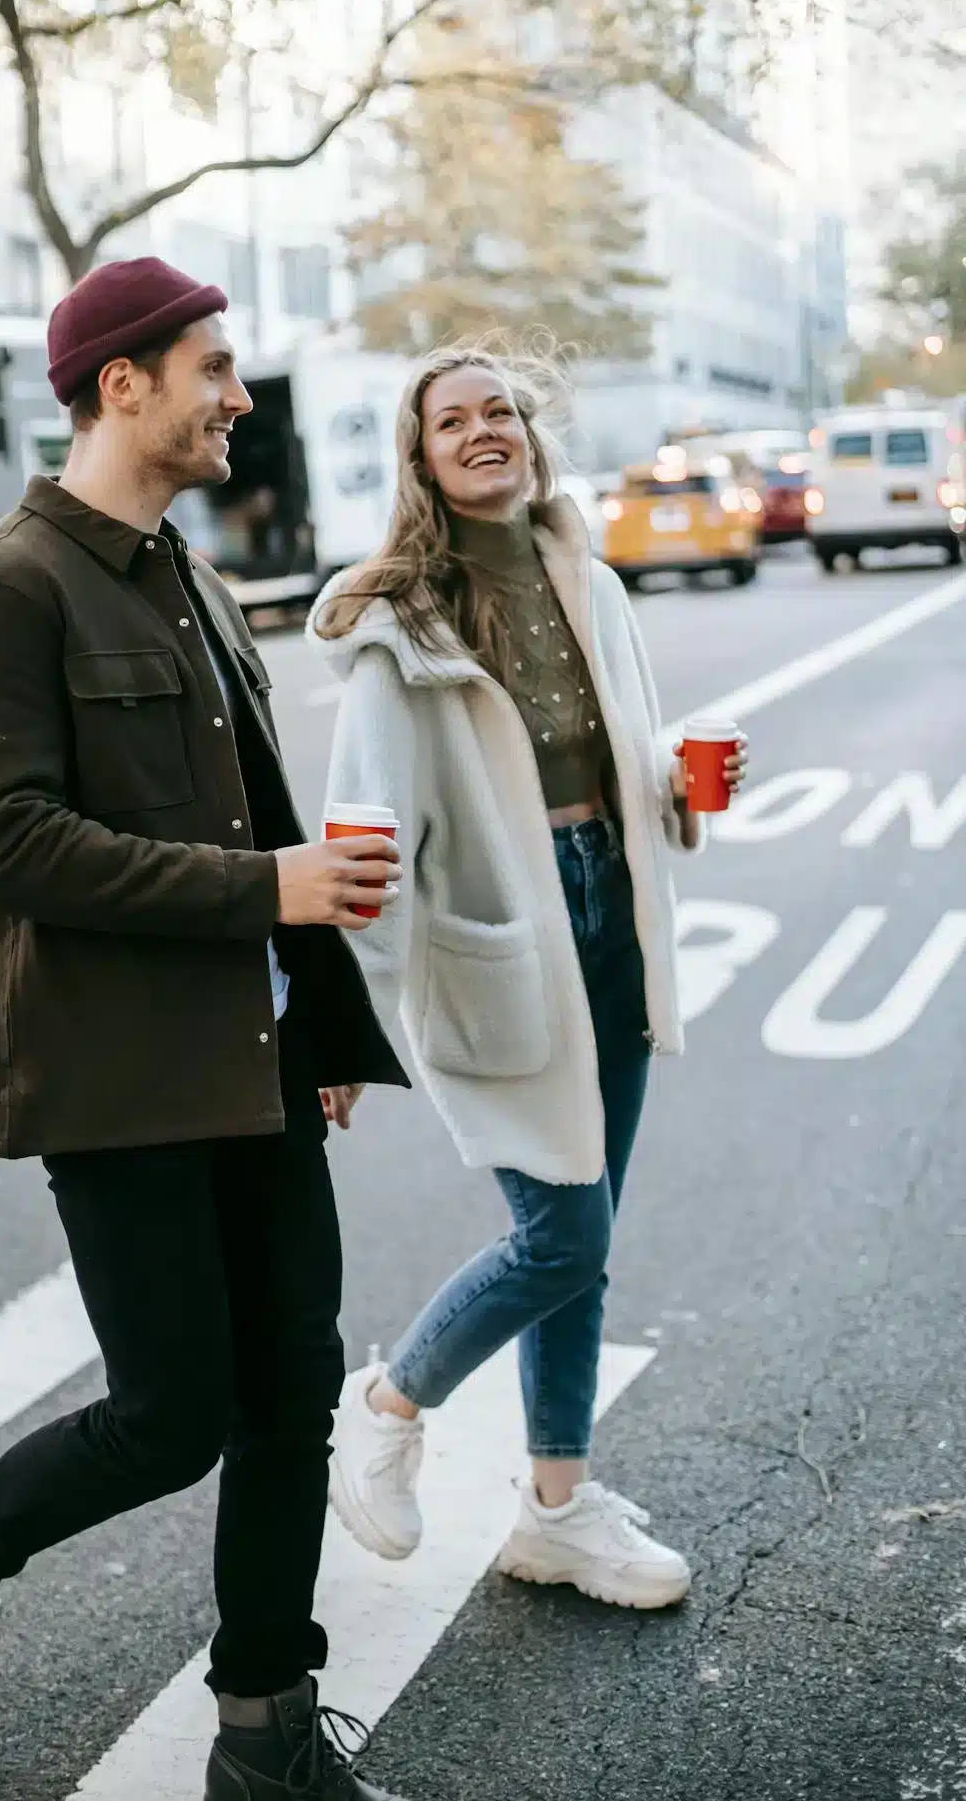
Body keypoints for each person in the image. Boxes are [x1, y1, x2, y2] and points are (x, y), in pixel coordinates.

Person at [0, 257, 412, 1801]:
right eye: (216, 368)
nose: (239, 397)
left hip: (254, 1057)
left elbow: (260, 815)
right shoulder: (2, 590)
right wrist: (270, 892)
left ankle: (263, 1733)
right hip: (117, 1075)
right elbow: (4, 846)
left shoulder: (188, 573)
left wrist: (319, 1028)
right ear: (125, 384)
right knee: (177, 1415)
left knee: (291, 1391)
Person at [309, 343, 747, 1610]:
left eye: (500, 409)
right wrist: (347, 1027)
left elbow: (613, 745)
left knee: (585, 1229)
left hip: (610, 914)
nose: (484, 429)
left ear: (530, 435)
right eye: (454, 420)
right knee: (561, 1230)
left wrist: (674, 781)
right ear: (422, 460)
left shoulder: (590, 583)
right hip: (501, 939)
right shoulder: (400, 627)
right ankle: (386, 1409)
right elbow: (364, 832)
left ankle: (554, 1509)